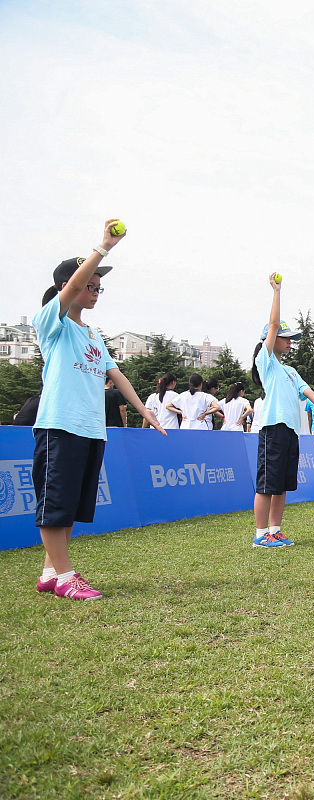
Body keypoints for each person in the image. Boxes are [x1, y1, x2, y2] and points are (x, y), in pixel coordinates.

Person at [32, 222, 167, 601]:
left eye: (98, 288)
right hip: (60, 426)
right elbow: (72, 286)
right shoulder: (52, 322)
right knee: (55, 504)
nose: (94, 292)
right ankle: (66, 577)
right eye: (89, 286)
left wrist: (145, 410)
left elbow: (115, 374)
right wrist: (104, 247)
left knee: (71, 505)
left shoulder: (92, 334)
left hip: (91, 429)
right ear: (68, 287)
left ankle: (50, 572)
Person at [252, 274, 314, 547]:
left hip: (291, 431)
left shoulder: (291, 371)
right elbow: (273, 324)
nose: (290, 342)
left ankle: (275, 530)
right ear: (272, 339)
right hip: (273, 428)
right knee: (267, 484)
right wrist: (277, 291)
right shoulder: (266, 362)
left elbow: (309, 393)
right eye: (286, 338)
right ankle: (260, 535)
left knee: (281, 484)